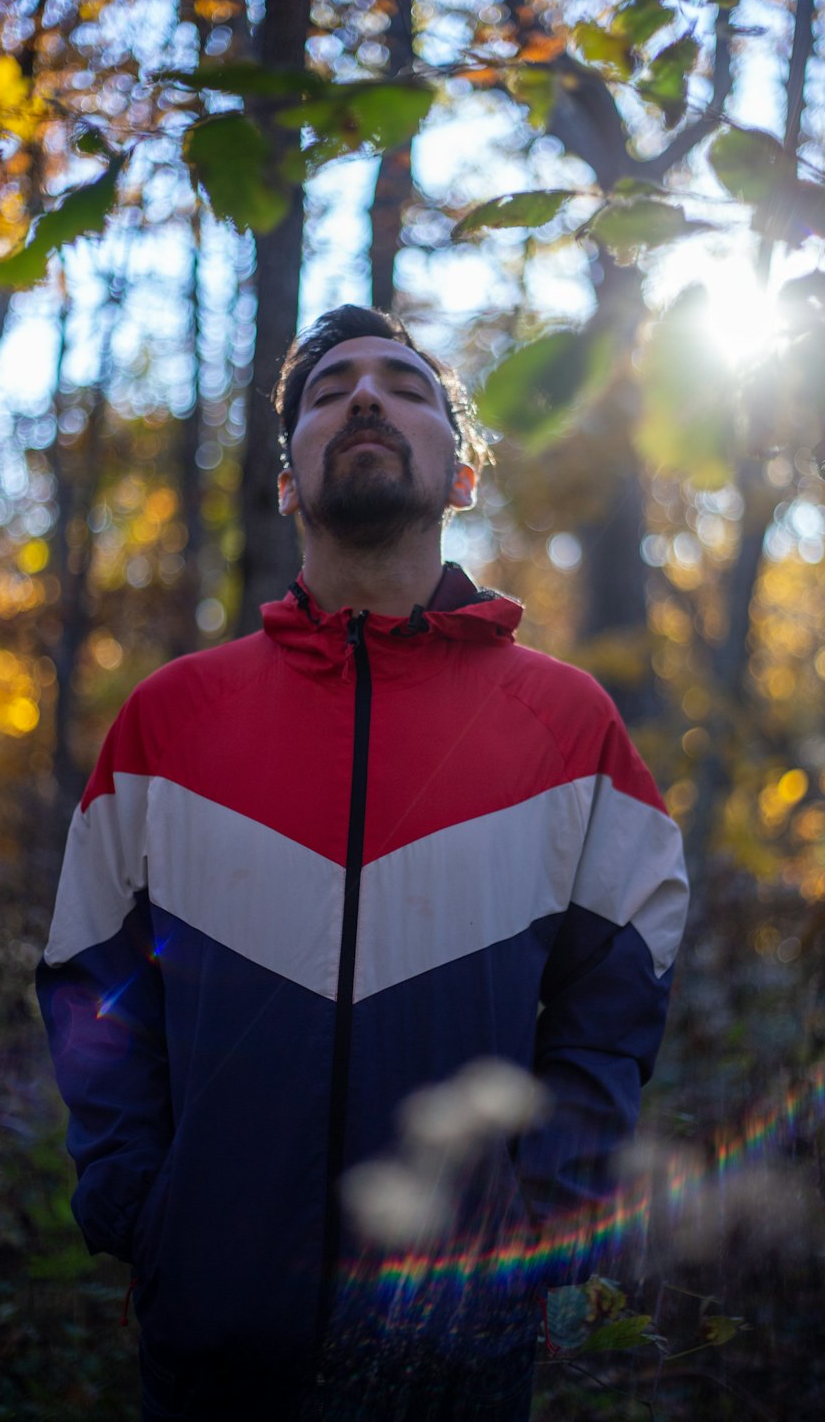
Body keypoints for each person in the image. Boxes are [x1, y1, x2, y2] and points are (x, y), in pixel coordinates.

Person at [37, 305, 688, 1421]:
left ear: (463, 474)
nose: (366, 399)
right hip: (210, 1333)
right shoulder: (169, 718)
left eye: (404, 384)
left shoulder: (567, 724)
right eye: (330, 390)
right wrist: (137, 1199)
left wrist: (543, 1214)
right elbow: (90, 972)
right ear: (287, 483)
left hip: (462, 1338)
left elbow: (614, 998)